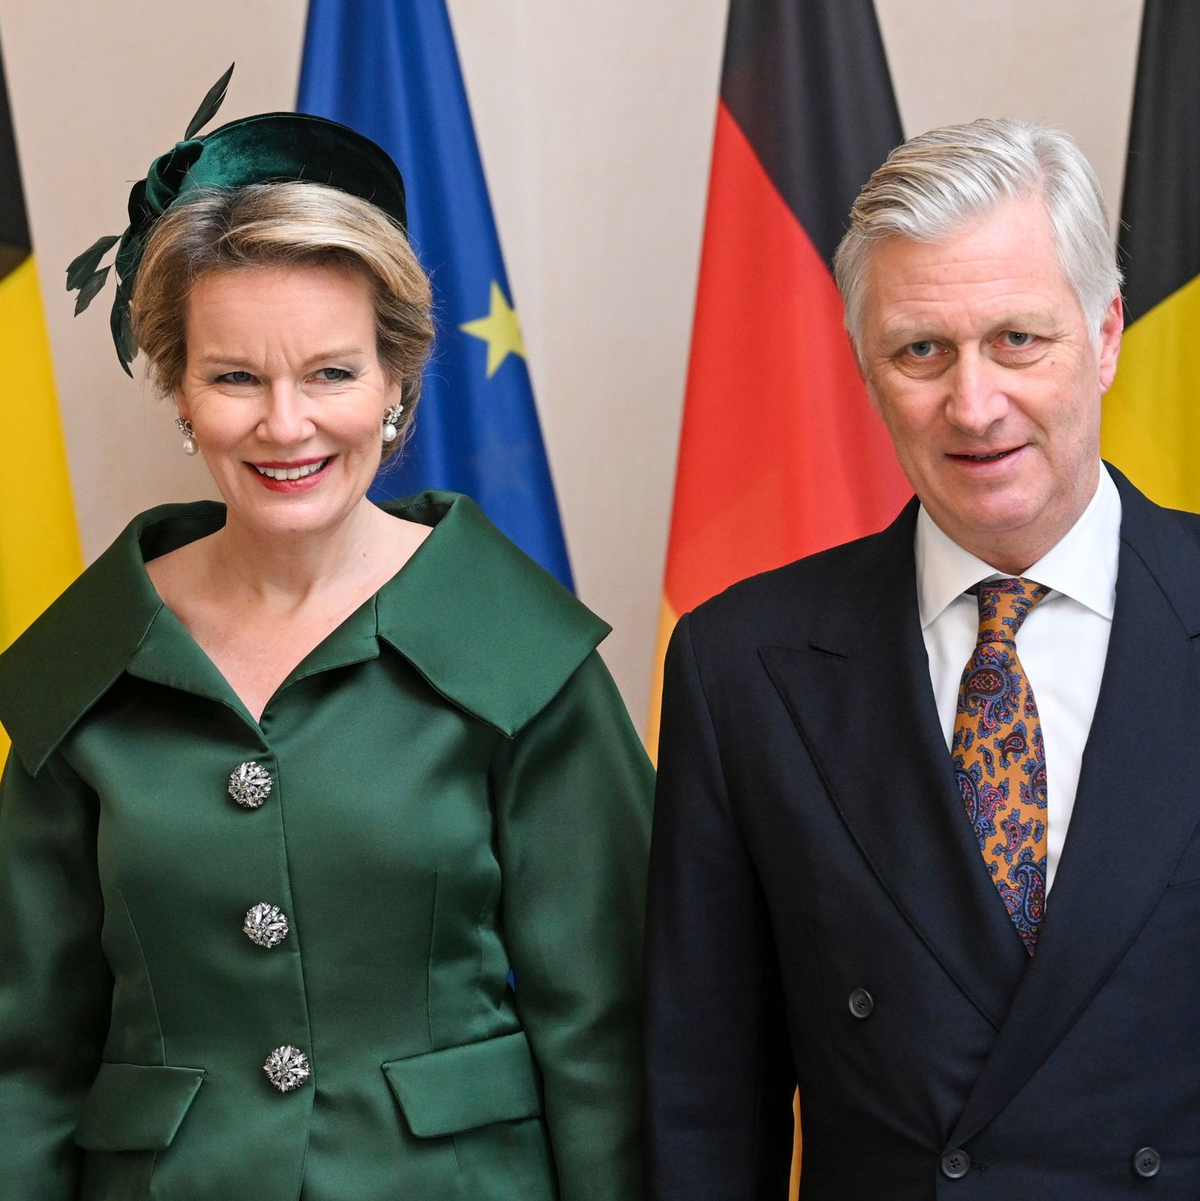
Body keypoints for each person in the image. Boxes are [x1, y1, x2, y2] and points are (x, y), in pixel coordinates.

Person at [0, 69, 651, 1200]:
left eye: (332, 373)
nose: (284, 423)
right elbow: (23, 1062)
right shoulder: (84, 668)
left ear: (398, 382)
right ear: (182, 391)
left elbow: (612, 1039)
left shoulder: (524, 661)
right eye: (236, 376)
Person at [645, 117, 1200, 1198]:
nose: (974, 403)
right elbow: (706, 1101)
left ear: (1107, 335)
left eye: (1018, 341)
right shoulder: (741, 665)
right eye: (921, 351)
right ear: (866, 369)